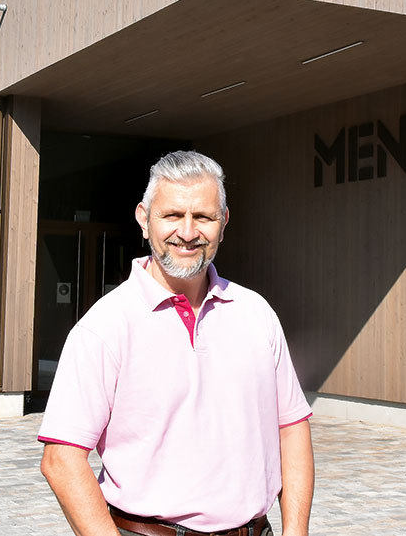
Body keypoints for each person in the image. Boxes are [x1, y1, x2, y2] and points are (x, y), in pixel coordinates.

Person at [39, 151, 314, 536]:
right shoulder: (104, 326)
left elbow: (292, 427)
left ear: (223, 222)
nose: (187, 232)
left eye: (202, 217)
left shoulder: (257, 313)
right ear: (143, 219)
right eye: (171, 215)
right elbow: (61, 459)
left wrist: (296, 532)